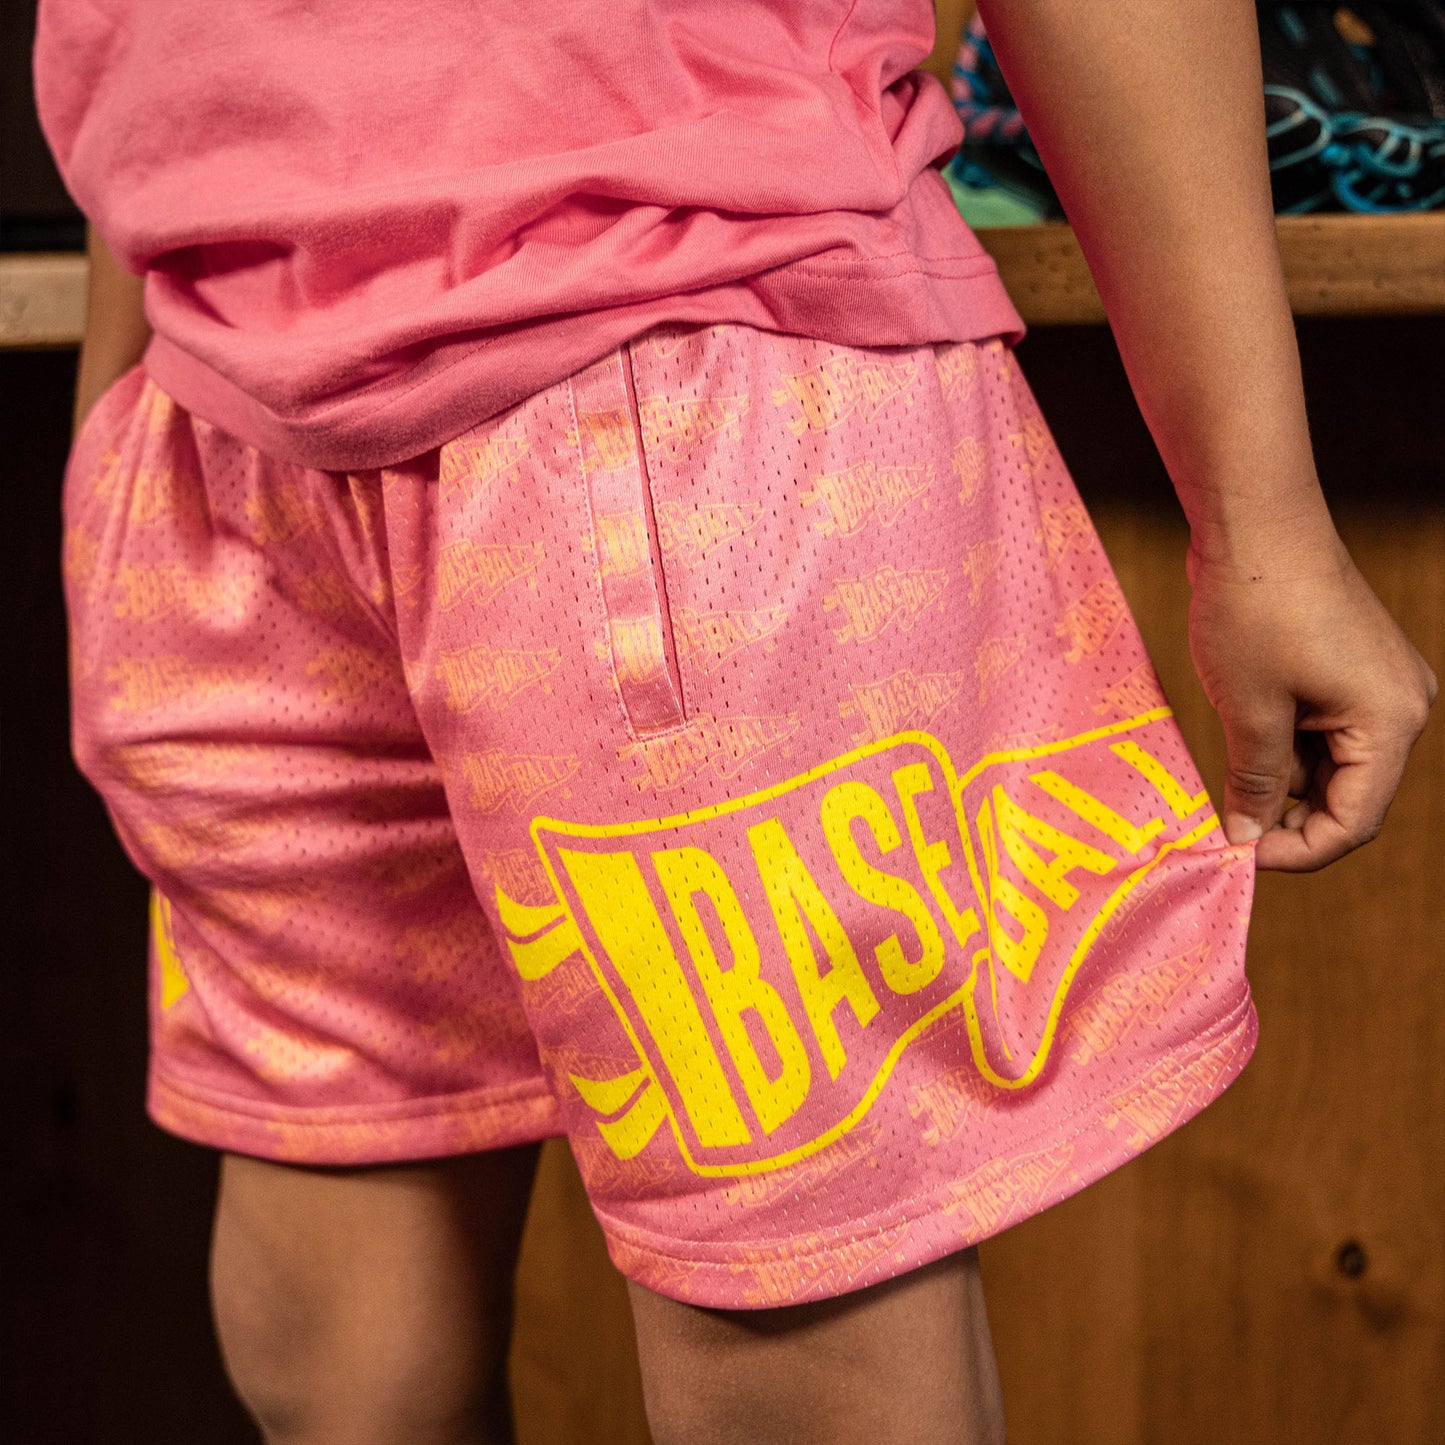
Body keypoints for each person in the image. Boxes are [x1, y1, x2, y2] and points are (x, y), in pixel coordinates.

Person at [35, 1, 1435, 1442]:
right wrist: (115, 435)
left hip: (678, 351)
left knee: (795, 1348)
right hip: (220, 410)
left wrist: (1259, 515)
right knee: (343, 1351)